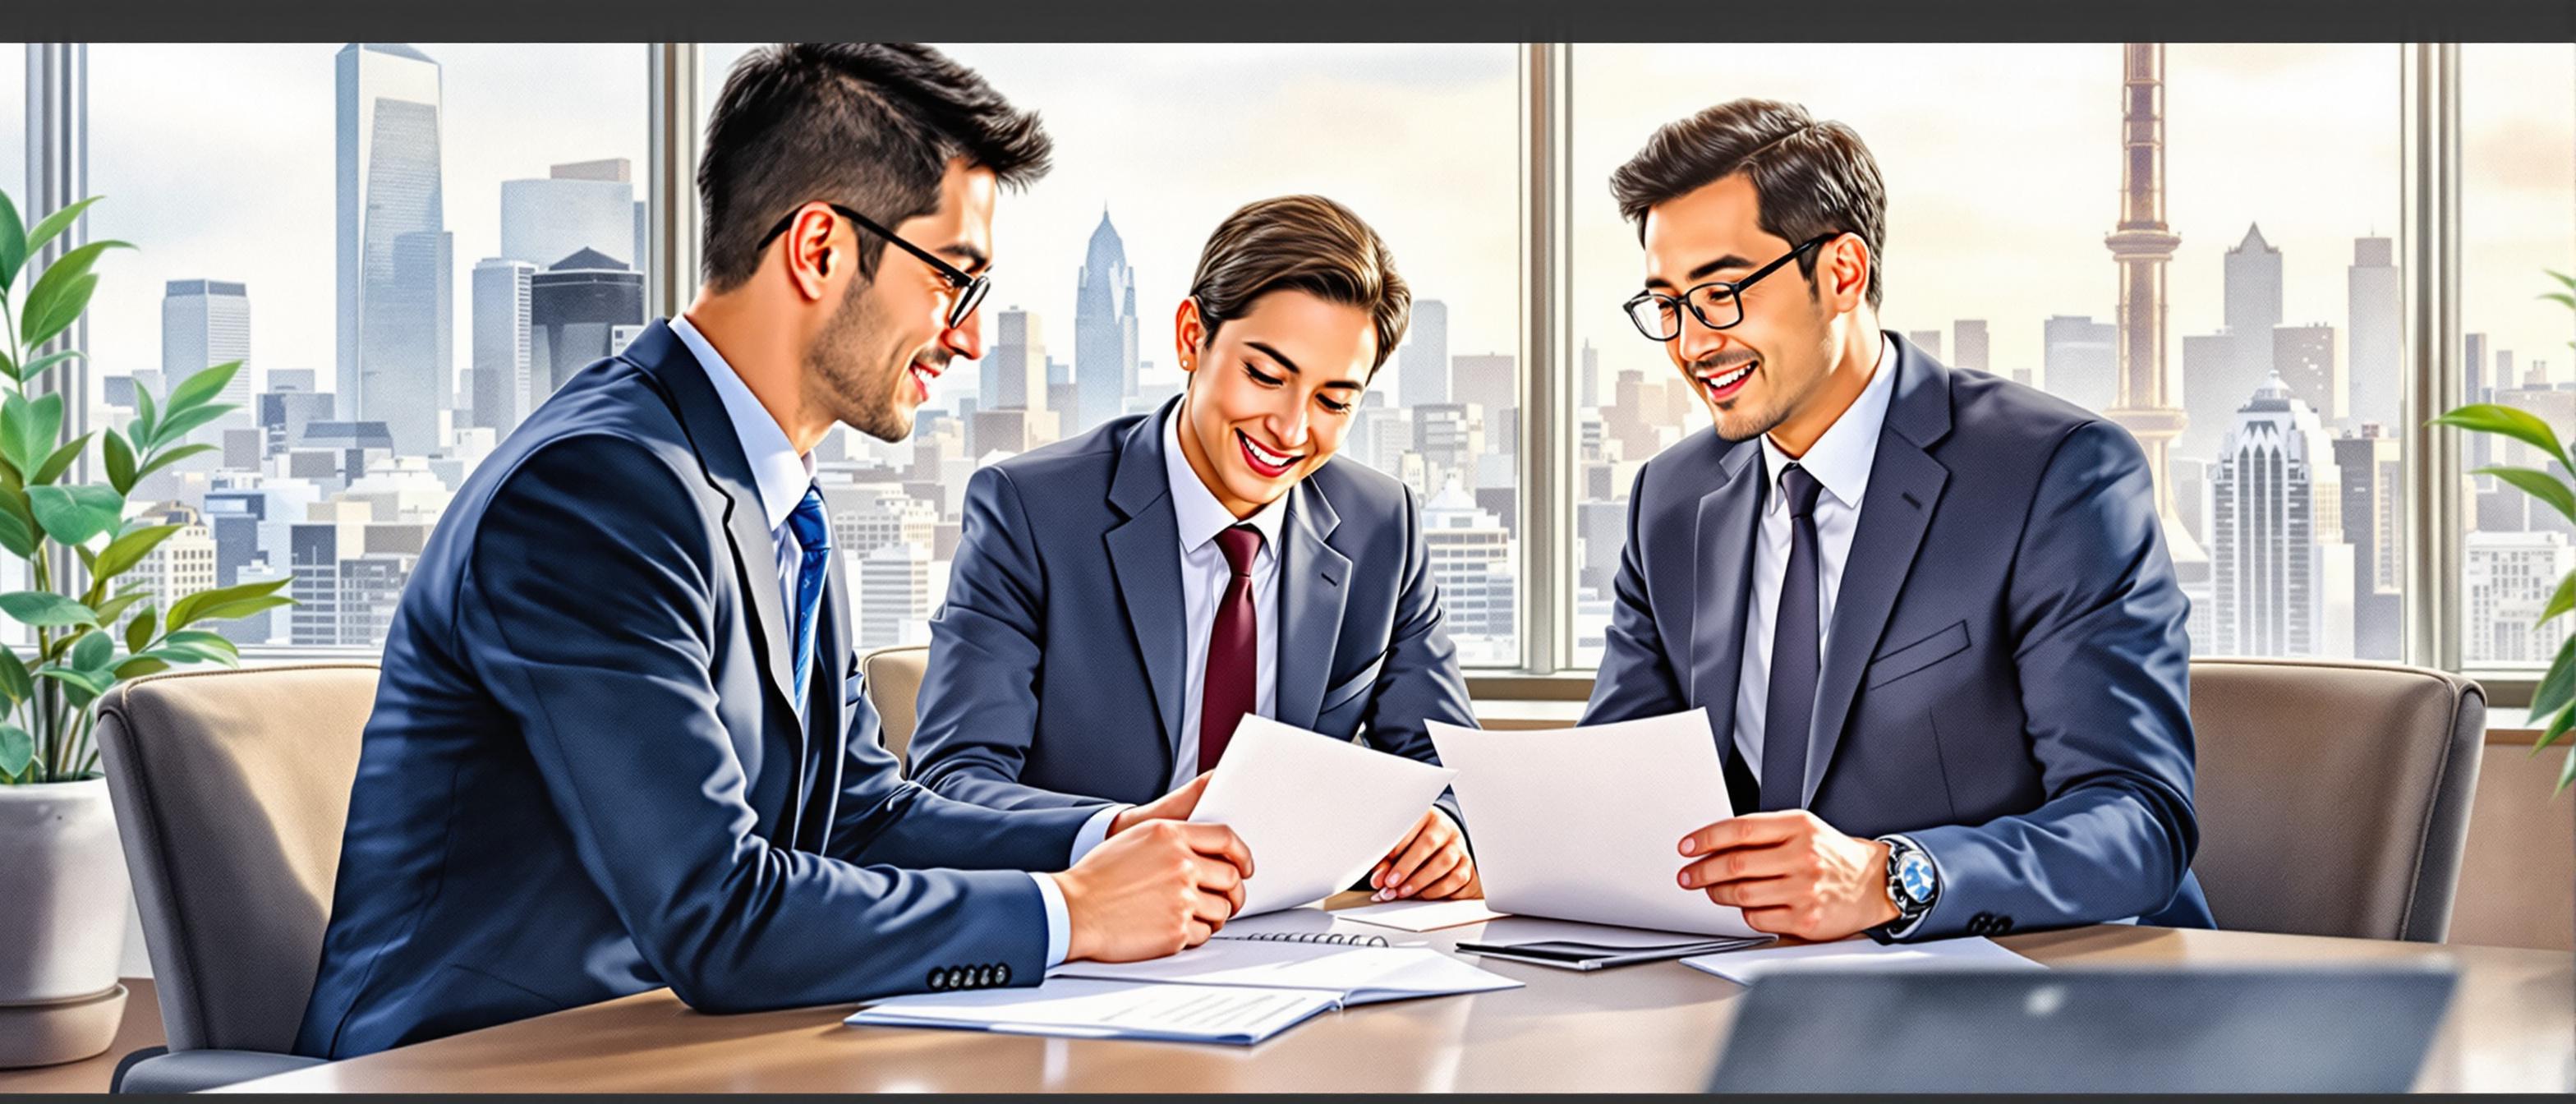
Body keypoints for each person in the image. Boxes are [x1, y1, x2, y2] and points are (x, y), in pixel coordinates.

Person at [296, 43, 1253, 1060]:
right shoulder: (594, 492)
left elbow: (859, 816)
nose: (969, 339)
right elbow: (715, 914)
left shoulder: (771, 494)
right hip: (478, 1063)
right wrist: (1067, 911)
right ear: (818, 249)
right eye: (954, 282)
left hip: (683, 1048)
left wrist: (1108, 839)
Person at [1585, 98, 2215, 944]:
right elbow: (1616, 785)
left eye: (1722, 293)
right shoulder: (1671, 499)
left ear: (1841, 272)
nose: (1693, 344)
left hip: (2046, 985)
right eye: (1667, 304)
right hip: (1765, 992)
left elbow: (2137, 821)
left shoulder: (2054, 475)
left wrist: (1894, 876)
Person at [907, 195, 1481, 903]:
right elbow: (951, 783)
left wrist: (1447, 833)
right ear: (1191, 337)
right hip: (1090, 932)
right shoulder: (1030, 512)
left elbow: (1449, 770)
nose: (1291, 427)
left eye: (1335, 401)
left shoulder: (1380, 524)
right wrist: (1120, 834)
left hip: (1300, 940)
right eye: (1266, 376)